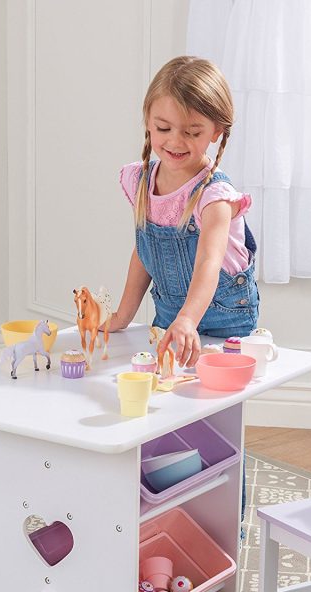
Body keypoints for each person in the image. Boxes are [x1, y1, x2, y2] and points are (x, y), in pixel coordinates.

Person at [109, 55, 259, 368]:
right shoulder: (140, 181)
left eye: (192, 132)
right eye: (164, 128)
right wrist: (123, 315)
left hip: (224, 319)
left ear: (216, 130)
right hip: (172, 318)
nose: (175, 141)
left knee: (214, 395)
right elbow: (144, 252)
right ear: (148, 120)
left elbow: (209, 262)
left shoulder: (215, 197)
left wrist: (189, 318)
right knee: (169, 394)